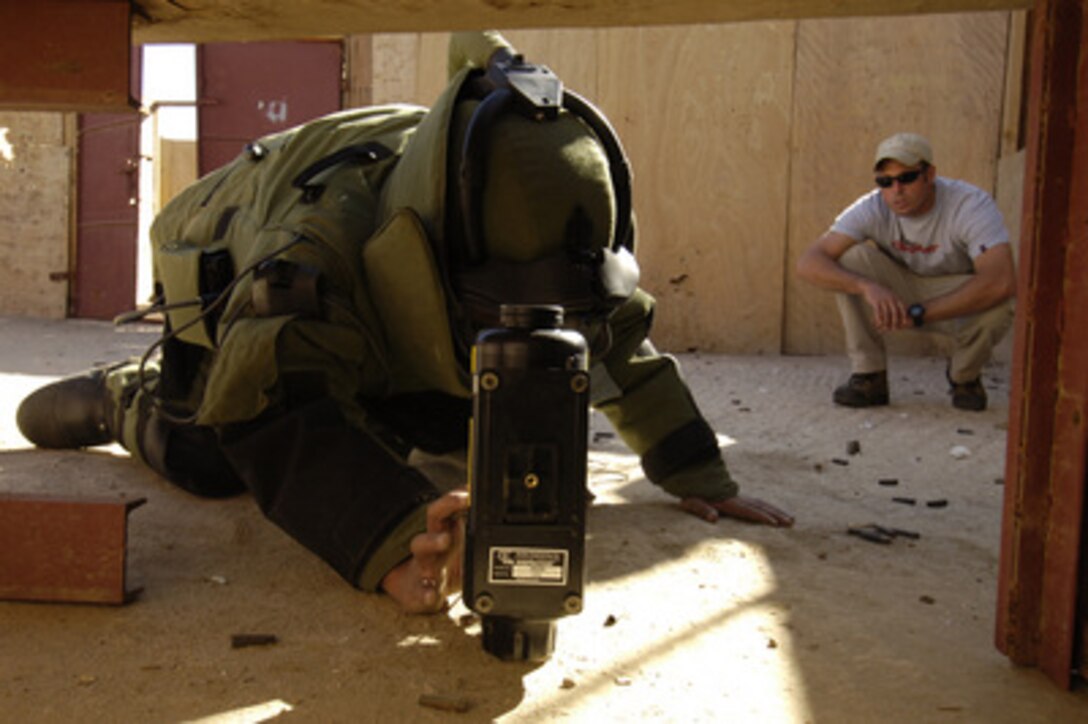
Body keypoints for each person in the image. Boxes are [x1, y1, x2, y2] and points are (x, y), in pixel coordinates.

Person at [17, 31, 792, 615]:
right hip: (229, 261)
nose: (538, 328)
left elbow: (620, 344)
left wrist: (693, 469)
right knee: (218, 460)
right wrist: (388, 536)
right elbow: (271, 406)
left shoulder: (558, 227)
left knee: (480, 404)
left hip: (393, 316)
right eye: (503, 312)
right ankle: (133, 395)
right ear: (430, 263)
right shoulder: (316, 253)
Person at [795, 132, 1017, 411]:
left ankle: (965, 376)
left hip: (954, 292)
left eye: (907, 178)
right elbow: (809, 262)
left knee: (1001, 300)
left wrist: (920, 314)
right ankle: (869, 374)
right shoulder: (872, 206)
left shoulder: (969, 204)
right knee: (849, 259)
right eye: (885, 182)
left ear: (930, 174)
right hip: (900, 287)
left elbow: (1001, 279)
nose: (896, 190)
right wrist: (867, 287)